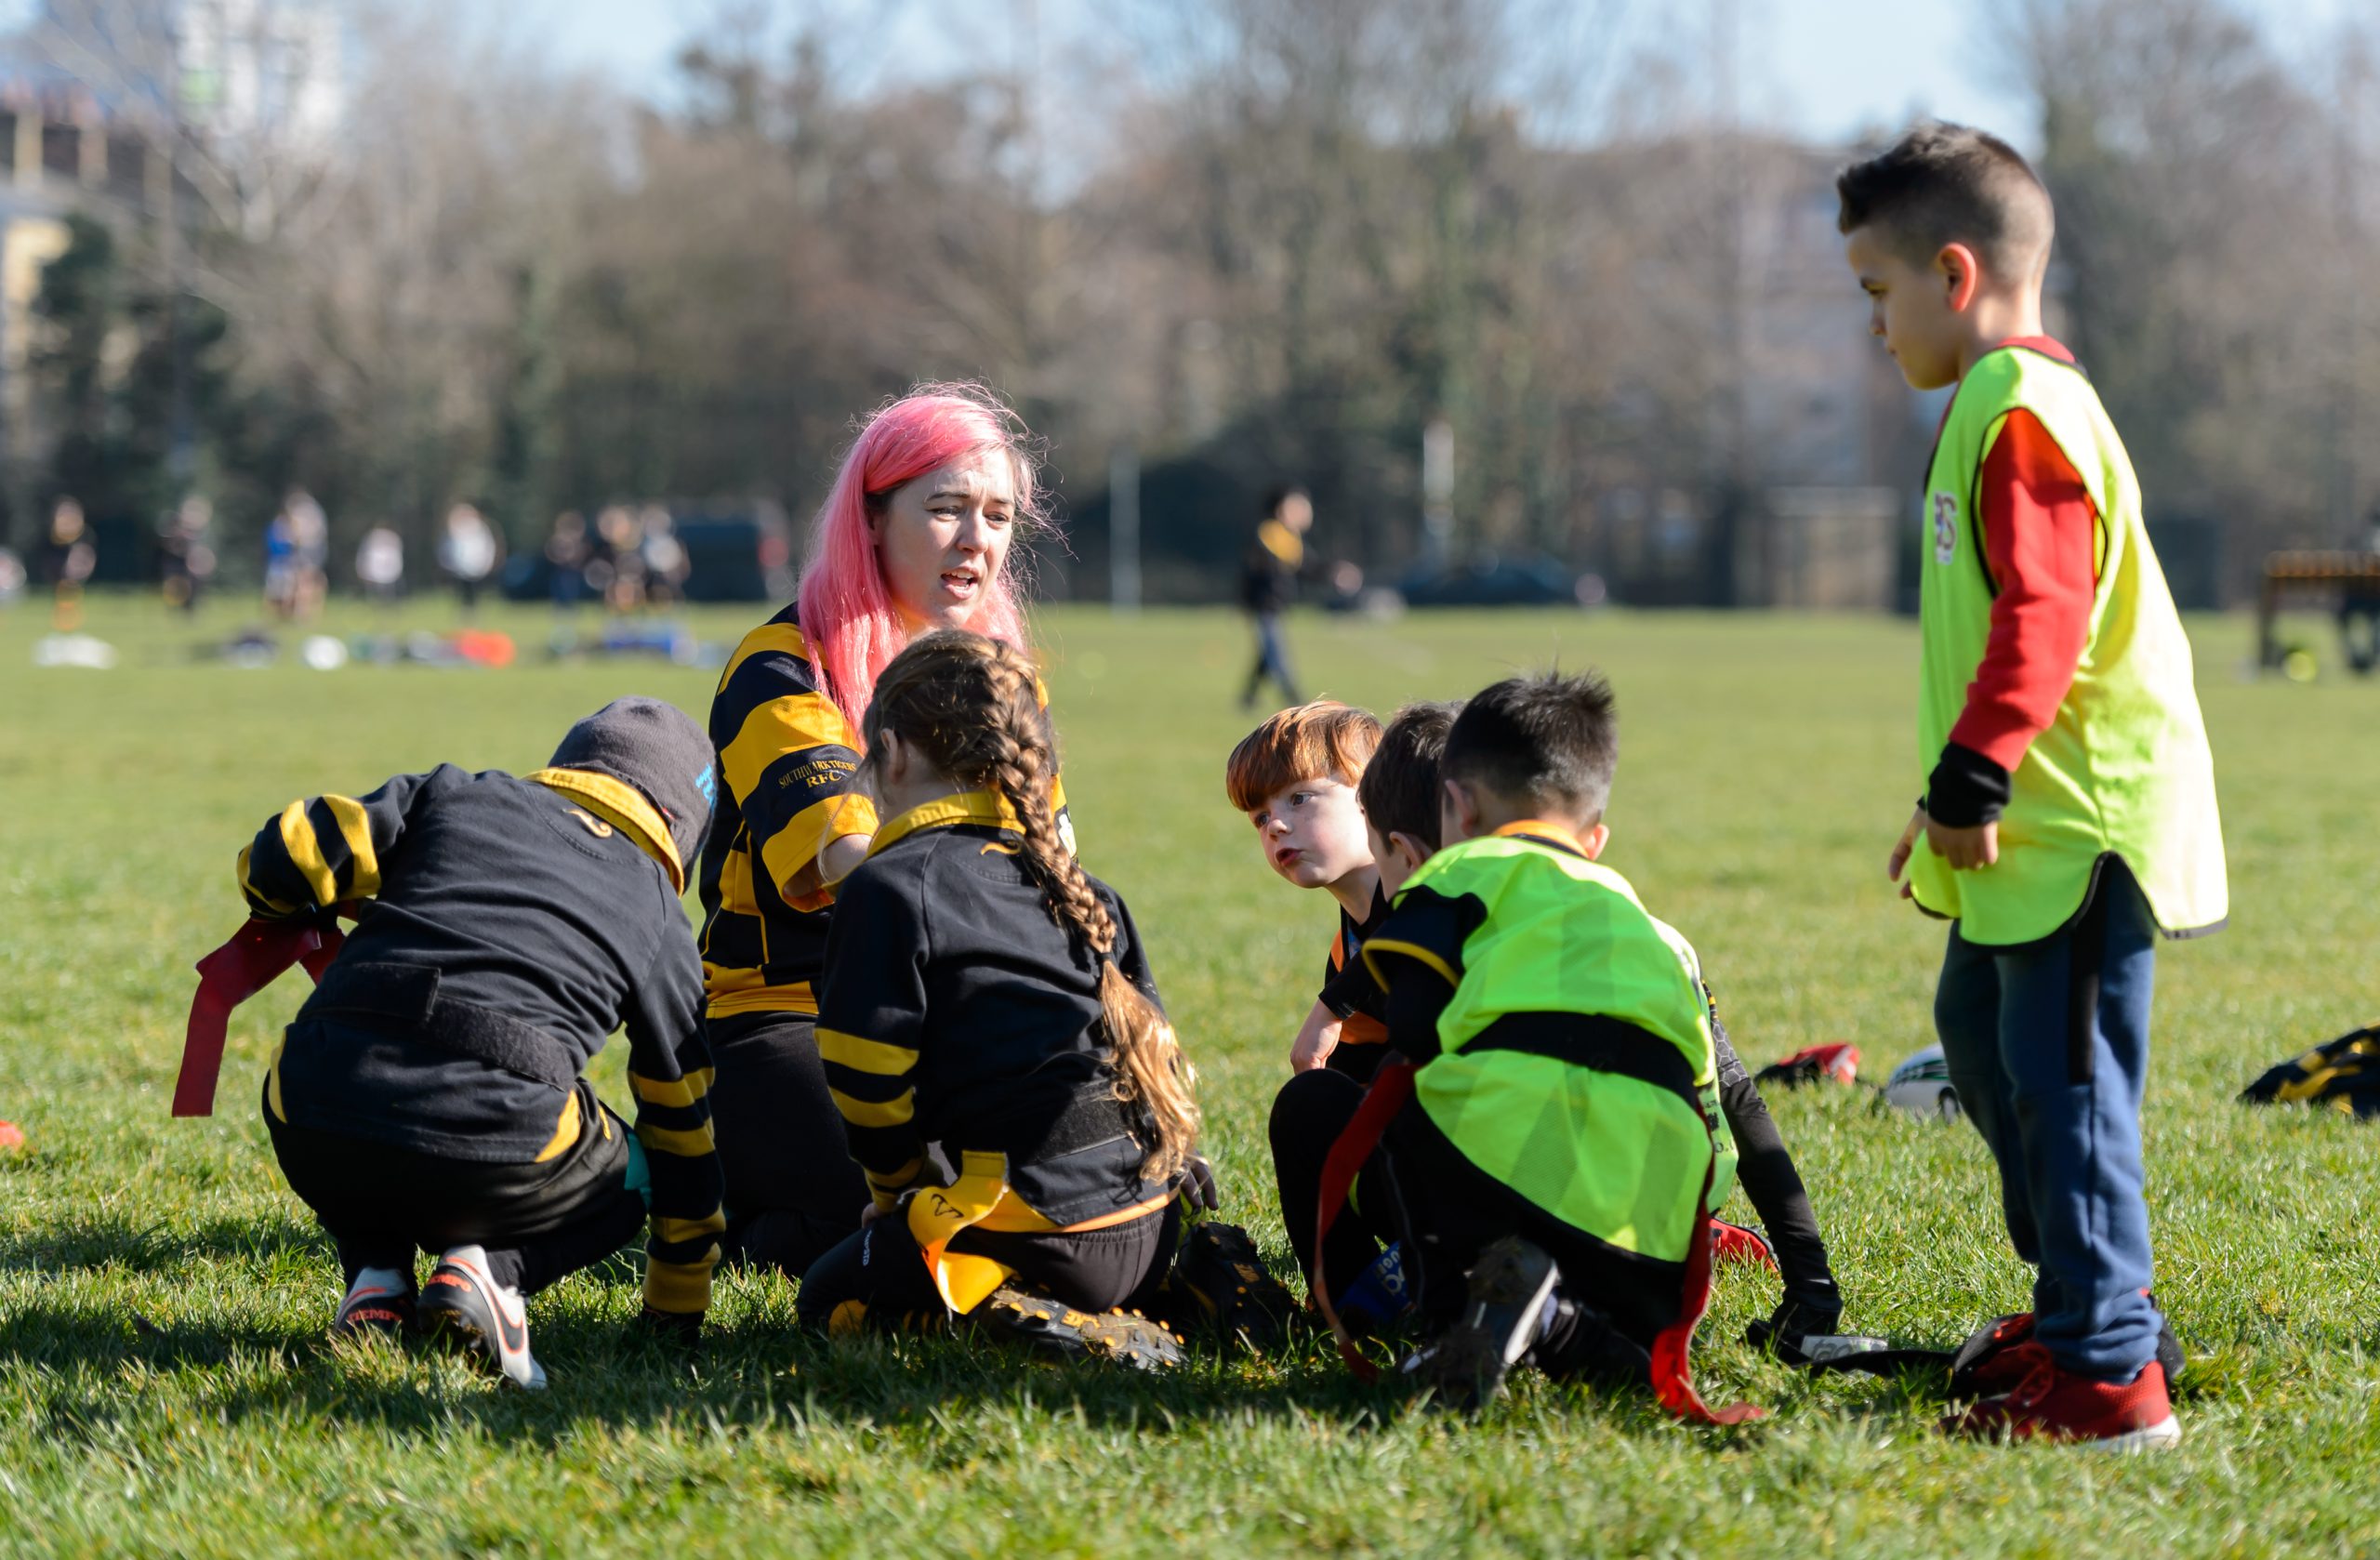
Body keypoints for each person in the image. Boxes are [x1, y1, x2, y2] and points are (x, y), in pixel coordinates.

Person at [1843, 123, 2226, 1448]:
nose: (1873, 326)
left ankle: (2111, 1378)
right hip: (2026, 817)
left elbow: (2043, 620)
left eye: (1875, 294)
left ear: (1954, 276)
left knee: (2064, 1088)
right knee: (1985, 1048)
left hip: (2080, 828)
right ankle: (2090, 1301)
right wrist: (1944, 793)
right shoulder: (1992, 406)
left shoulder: (2022, 412)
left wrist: (1975, 771)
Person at [1272, 698, 1847, 1353]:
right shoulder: (1654, 935)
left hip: (1521, 1217)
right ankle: (1563, 1327)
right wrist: (1812, 1283)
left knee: (1339, 1104)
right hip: (1661, 1243)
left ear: (1409, 848)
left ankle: (1390, 1313)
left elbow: (1413, 1098)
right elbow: (1742, 1102)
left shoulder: (1441, 923)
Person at [231, 698, 726, 1388]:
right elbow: (685, 1126)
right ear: (678, 827)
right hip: (493, 1139)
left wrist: (286, 907)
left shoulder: (453, 794)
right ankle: (492, 1274)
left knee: (363, 1076)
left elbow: (286, 851)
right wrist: (676, 1313)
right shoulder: (660, 914)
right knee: (637, 1168)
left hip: (308, 1107)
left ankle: (376, 1275)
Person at [697, 384, 1071, 1281]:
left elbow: (1055, 867)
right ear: (871, 520)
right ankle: (688, 1172)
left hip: (950, 1012)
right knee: (940, 1194)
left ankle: (779, 1218)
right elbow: (855, 870)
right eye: (944, 510)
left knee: (1070, 1171)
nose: (976, 540)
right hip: (784, 1016)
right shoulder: (780, 666)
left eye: (997, 515)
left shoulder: (1007, 685)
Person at [793, 631, 1207, 1366]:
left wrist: (898, 1199)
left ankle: (1023, 1319)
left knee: (828, 1300)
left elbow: (864, 1082)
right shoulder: (1081, 888)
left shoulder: (889, 886)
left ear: (892, 753)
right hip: (1151, 1220)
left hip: (1044, 1236)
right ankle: (1184, 1287)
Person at [1347, 671, 1748, 1417]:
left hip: (1504, 1175)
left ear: (1457, 807)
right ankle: (1558, 1325)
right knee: (1607, 1357)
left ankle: (1444, 1325)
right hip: (1654, 1216)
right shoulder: (1638, 913)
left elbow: (1408, 1032)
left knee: (1402, 1100)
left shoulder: (1457, 873)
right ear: (1593, 836)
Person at [1222, 701, 1391, 1082]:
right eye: (1260, 818)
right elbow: (1358, 1061)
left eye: (1299, 799)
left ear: (1374, 795)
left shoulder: (1436, 891)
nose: (1275, 826)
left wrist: (1330, 1007)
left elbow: (1408, 934)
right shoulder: (1345, 950)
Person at [1237, 484, 1312, 709]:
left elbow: (1307, 566)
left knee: (1266, 655)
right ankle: (1295, 700)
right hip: (1264, 606)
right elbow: (1258, 571)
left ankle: (1247, 699)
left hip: (1275, 606)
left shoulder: (1290, 538)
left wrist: (1336, 571)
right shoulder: (1270, 534)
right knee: (1276, 655)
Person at [38, 496, 96, 631]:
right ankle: (63, 624)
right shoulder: (53, 541)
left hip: (72, 570)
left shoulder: (83, 537)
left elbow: (86, 554)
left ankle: (70, 624)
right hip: (59, 568)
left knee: (71, 594)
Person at [438, 503, 503, 618]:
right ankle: (464, 614)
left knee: (475, 593)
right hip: (459, 569)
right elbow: (447, 548)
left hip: (476, 567)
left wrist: (486, 563)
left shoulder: (480, 529)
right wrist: (448, 564)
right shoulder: (455, 529)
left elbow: (487, 547)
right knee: (461, 593)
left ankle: (473, 613)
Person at [356, 525, 404, 607]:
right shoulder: (373, 540)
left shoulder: (393, 539)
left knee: (387, 587)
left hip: (389, 572)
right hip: (378, 571)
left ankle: (387, 603)